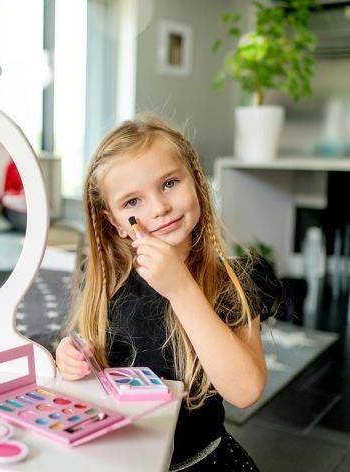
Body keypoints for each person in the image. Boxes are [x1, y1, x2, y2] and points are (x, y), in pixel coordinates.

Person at [55, 115, 282, 471]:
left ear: (196, 180)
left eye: (170, 183)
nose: (159, 208)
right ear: (114, 222)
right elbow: (91, 362)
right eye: (132, 202)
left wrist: (181, 289)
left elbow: (245, 391)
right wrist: (70, 356)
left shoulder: (235, 279)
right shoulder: (106, 282)